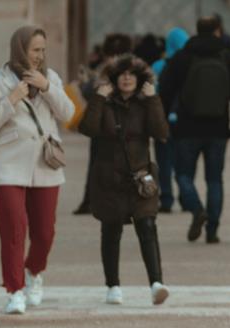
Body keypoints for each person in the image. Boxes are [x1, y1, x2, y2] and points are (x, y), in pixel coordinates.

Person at [0, 26, 74, 314]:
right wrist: (11, 99)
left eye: (43, 50)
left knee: (45, 233)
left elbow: (68, 114)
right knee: (14, 229)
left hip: (45, 164)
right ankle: (15, 290)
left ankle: (34, 271)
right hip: (7, 165)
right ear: (20, 49)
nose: (40, 55)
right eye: (35, 50)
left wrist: (47, 87)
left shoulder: (51, 77)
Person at [78, 54, 170, 305]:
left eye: (131, 74)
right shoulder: (105, 102)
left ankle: (156, 283)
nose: (127, 78)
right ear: (114, 79)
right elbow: (88, 128)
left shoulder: (146, 102)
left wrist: (153, 99)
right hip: (109, 179)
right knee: (111, 230)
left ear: (140, 79)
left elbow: (161, 132)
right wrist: (99, 97)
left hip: (140, 179)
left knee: (147, 226)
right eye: (122, 74)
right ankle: (113, 286)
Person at [159, 16, 230, 244]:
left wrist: (163, 122)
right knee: (214, 180)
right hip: (218, 129)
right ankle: (212, 230)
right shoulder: (227, 57)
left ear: (196, 30)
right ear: (217, 31)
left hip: (186, 128)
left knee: (183, 175)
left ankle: (196, 209)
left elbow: (165, 91)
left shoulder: (182, 57)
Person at [73, 33, 133, 215]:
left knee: (97, 164)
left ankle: (91, 200)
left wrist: (84, 84)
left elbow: (91, 95)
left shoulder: (105, 71)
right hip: (126, 125)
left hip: (103, 124)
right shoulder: (134, 71)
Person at [152, 27, 189, 213]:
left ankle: (166, 198)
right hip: (183, 120)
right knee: (183, 162)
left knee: (164, 161)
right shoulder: (189, 64)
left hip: (161, 119)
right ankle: (186, 197)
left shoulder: (158, 66)